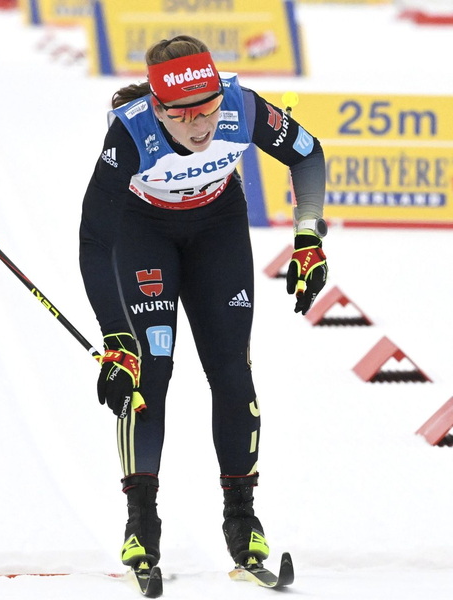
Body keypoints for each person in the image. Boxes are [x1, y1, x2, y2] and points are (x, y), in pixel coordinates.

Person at [78, 35, 329, 572]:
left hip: (217, 226)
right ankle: (140, 523)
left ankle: (243, 520)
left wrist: (308, 236)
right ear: (158, 108)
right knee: (151, 371)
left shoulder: (241, 107)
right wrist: (115, 337)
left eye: (210, 107)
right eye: (185, 114)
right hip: (143, 232)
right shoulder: (130, 132)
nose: (202, 125)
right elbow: (95, 241)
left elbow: (308, 155)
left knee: (232, 373)